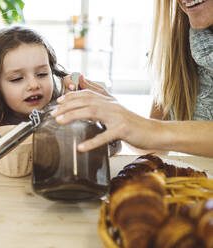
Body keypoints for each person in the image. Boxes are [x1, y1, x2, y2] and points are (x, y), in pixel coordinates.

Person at [0, 26, 121, 157]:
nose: (33, 85)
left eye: (42, 74)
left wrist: (102, 110)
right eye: (17, 79)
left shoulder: (65, 112)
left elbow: (111, 147)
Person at [52, 0, 213, 157]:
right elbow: (156, 149)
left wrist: (151, 129)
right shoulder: (176, 48)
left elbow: (154, 133)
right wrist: (115, 114)